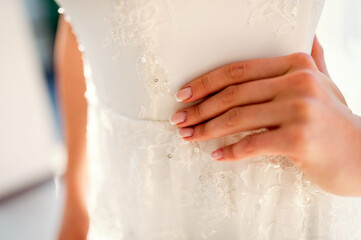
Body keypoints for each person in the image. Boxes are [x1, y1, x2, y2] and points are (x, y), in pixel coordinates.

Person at [54, 1, 361, 239]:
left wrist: (355, 148)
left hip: (270, 214)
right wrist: (74, 196)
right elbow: (83, 25)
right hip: (125, 209)